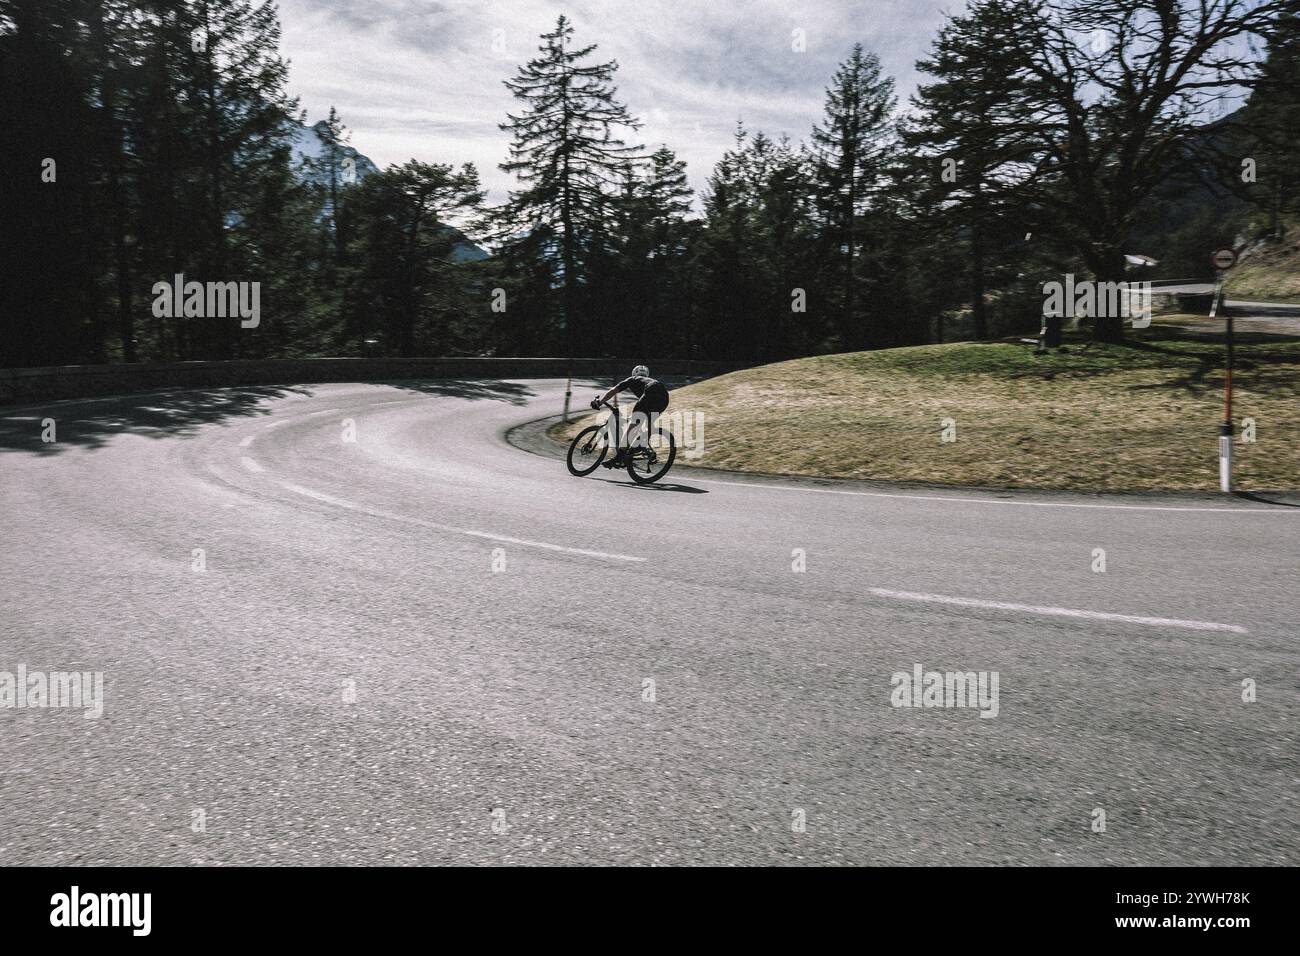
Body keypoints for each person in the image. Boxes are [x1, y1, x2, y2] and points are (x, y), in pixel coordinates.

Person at [591, 365, 669, 466]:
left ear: (634, 374)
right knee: (647, 421)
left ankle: (619, 458)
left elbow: (613, 390)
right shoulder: (647, 381)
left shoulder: (633, 379)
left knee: (632, 426)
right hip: (664, 397)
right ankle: (645, 444)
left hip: (651, 391)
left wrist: (600, 402)